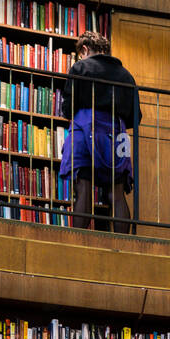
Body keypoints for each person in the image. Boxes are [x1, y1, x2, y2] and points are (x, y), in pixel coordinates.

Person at [60, 31, 141, 233]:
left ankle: (77, 242)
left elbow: (67, 108)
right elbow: (135, 116)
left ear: (85, 49)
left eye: (81, 54)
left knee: (84, 188)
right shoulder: (126, 75)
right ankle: (124, 246)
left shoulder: (81, 67)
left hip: (85, 129)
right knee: (117, 192)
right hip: (117, 133)